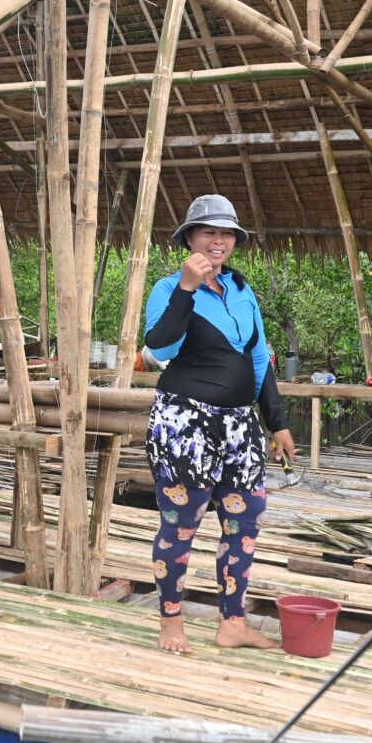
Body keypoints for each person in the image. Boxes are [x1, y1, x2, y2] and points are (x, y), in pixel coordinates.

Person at [141, 193, 297, 654]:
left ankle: (233, 623)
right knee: (181, 524)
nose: (218, 240)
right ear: (189, 237)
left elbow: (258, 359)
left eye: (226, 233)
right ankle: (171, 623)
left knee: (244, 521)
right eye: (208, 231)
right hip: (184, 424)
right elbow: (160, 349)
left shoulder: (242, 290)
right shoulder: (169, 288)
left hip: (239, 425)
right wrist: (188, 289)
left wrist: (277, 421)